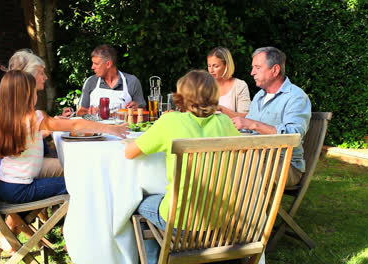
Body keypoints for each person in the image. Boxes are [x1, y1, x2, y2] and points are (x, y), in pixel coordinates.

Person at [0, 71, 128, 252]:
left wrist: (12, 147)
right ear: (29, 95)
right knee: (78, 183)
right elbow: (75, 125)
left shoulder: (1, 121)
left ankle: (20, 230)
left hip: (1, 184)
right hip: (20, 188)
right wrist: (111, 129)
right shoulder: (35, 118)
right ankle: (76, 240)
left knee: (71, 176)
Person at [125, 70, 240, 264]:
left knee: (135, 202)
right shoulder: (225, 122)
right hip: (218, 220)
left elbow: (129, 153)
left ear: (181, 95)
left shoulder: (170, 121)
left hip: (180, 220)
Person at [231, 46, 311, 187]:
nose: (252, 73)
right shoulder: (259, 96)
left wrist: (253, 124)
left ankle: (248, 209)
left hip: (285, 165)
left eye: (257, 68)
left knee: (240, 172)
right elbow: (247, 131)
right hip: (255, 158)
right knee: (220, 165)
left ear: (275, 70)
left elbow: (294, 135)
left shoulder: (296, 97)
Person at [76, 44, 146, 115]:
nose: (92, 67)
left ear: (108, 64)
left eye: (96, 64)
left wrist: (137, 109)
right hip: (96, 126)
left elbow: (144, 113)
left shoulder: (132, 81)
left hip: (123, 126)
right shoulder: (90, 82)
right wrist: (89, 112)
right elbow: (79, 113)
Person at [207, 47, 251, 118]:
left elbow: (246, 117)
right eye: (209, 66)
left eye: (216, 66)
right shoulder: (204, 86)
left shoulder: (240, 86)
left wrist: (221, 109)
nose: (211, 70)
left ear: (226, 66)